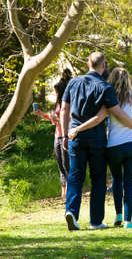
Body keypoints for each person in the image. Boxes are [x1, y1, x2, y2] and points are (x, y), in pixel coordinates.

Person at [60, 52, 132, 231]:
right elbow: (116, 112)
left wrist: (65, 135)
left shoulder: (73, 82)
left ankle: (71, 211)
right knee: (98, 178)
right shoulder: (105, 87)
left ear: (88, 63)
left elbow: (64, 109)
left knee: (75, 176)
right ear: (103, 66)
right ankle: (96, 221)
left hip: (75, 137)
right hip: (96, 138)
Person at [34, 68, 72, 198]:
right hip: (57, 136)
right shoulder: (57, 105)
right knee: (60, 165)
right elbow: (54, 119)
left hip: (65, 136)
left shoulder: (68, 105)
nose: (54, 94)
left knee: (67, 165)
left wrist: (58, 120)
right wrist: (41, 114)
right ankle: (63, 192)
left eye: (56, 93)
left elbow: (70, 121)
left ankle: (70, 190)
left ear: (60, 92)